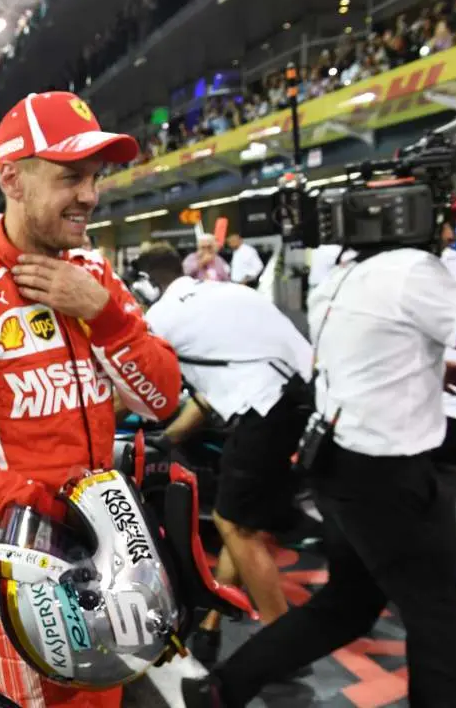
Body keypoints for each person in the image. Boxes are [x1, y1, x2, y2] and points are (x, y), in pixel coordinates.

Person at [183, 191, 456, 707]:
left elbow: (358, 353)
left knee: (348, 604)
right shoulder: (411, 270)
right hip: (387, 474)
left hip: (338, 464)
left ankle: (222, 688)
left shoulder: (342, 273)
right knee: (440, 617)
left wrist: (424, 369)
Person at [0, 90, 183, 708]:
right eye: (69, 177)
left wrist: (104, 315)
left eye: (94, 177)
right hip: (25, 575)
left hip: (113, 555)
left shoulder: (96, 278)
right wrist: (54, 512)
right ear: (12, 179)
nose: (89, 195)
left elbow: (163, 398)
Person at [133, 242, 310, 666]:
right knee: (242, 521)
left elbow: (136, 390)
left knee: (234, 524)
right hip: (304, 396)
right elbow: (214, 391)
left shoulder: (162, 317)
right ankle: (211, 625)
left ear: (147, 285)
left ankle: (284, 647)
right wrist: (169, 439)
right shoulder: (226, 292)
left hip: (267, 409)